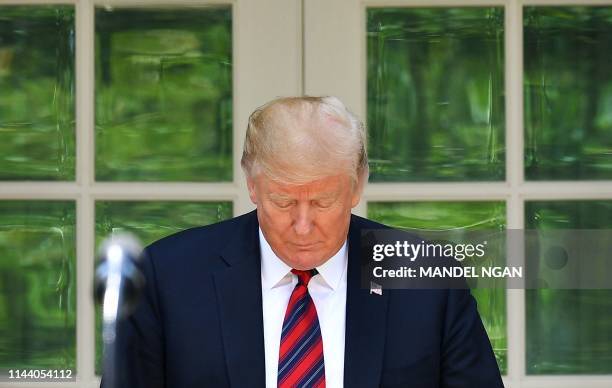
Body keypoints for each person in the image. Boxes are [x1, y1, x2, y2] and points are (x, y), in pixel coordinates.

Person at [107, 96, 504, 387]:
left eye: (322, 201)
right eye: (282, 201)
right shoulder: (166, 277)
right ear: (251, 183)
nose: (302, 225)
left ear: (357, 185)